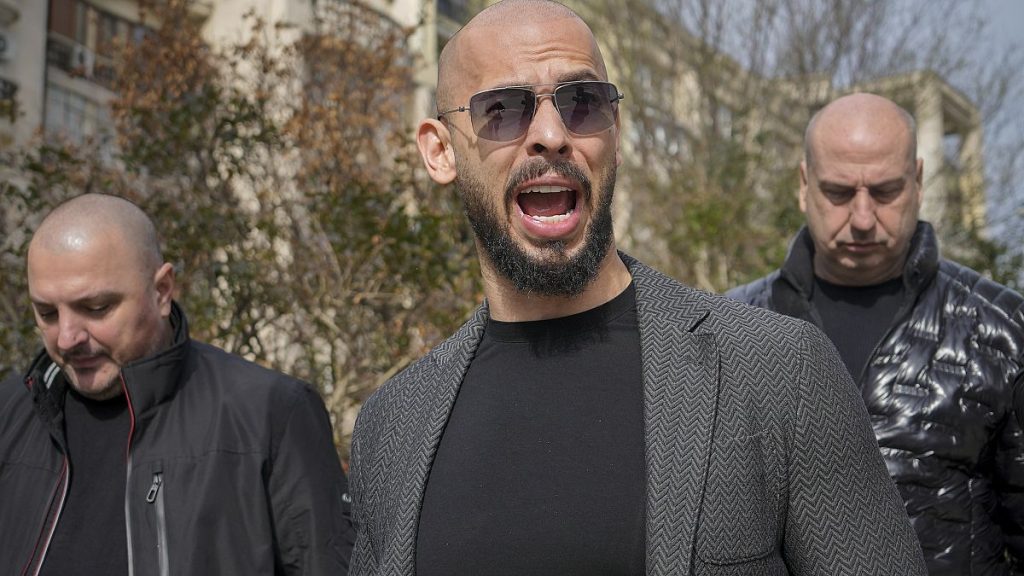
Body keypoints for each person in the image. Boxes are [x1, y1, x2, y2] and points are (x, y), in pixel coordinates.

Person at [346, 2, 925, 574]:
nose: (551, 135)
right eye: (503, 110)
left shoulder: (780, 372)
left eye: (582, 104)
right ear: (440, 150)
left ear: (615, 133)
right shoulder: (391, 429)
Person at [727, 93, 1024, 574]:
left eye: (885, 192)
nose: (863, 219)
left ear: (919, 182)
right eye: (839, 193)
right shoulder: (731, 328)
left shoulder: (1004, 330)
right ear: (804, 186)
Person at [0, 193, 355, 575]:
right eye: (47, 313)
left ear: (162, 291)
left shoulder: (269, 414)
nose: (67, 336)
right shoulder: (10, 414)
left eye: (96, 308)